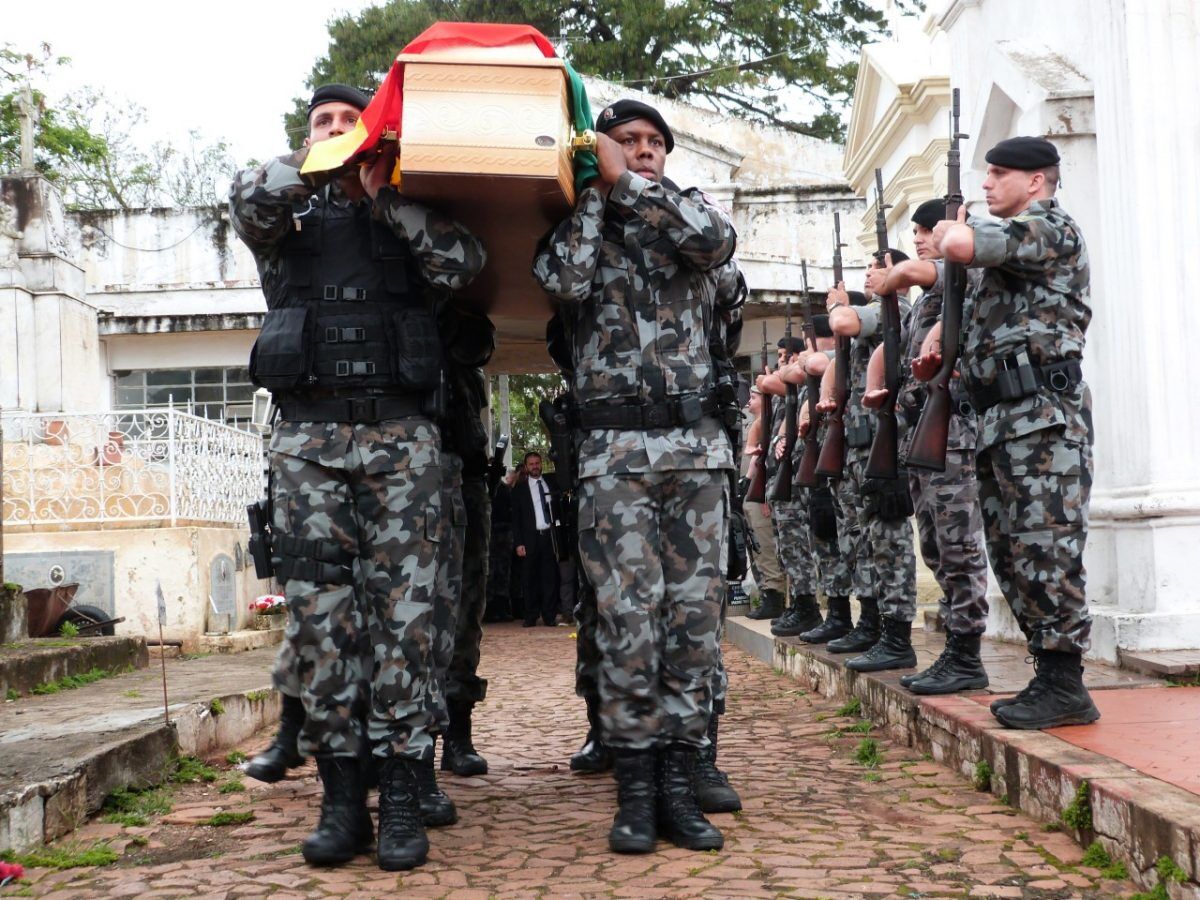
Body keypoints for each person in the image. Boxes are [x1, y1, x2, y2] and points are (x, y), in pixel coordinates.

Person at [229, 83, 485, 872]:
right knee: (321, 625)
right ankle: (342, 802)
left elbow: (466, 265)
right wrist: (316, 163)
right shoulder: (285, 217)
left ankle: (404, 793)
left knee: (406, 624)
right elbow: (248, 200)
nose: (338, 132)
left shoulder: (412, 217)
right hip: (307, 445)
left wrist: (391, 195)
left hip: (401, 445)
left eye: (351, 122)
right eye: (323, 124)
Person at [533, 98, 734, 855]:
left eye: (654, 143)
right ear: (600, 151)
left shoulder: (687, 218)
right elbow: (562, 282)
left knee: (690, 629)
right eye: (627, 142)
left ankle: (682, 788)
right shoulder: (578, 228)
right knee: (626, 626)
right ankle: (636, 791)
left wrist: (634, 188)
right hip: (616, 458)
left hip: (696, 457)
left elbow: (718, 247)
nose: (643, 151)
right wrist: (595, 196)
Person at [919, 136, 1098, 729]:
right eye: (985, 173)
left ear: (1036, 181)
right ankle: (1048, 674)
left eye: (999, 174)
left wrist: (954, 228)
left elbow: (966, 243)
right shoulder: (1006, 255)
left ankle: (1065, 680)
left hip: (1044, 417)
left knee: (1047, 547)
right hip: (1000, 420)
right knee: (1012, 549)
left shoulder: (1049, 228)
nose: (987, 183)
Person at [863, 199, 989, 694]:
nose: (918, 237)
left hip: (953, 431)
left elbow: (920, 269)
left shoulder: (950, 275)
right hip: (923, 430)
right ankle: (957, 642)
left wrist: (889, 278)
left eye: (926, 228)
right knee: (936, 545)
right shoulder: (928, 299)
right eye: (913, 229)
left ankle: (966, 652)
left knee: (958, 546)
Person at [823, 257, 919, 673]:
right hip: (861, 448)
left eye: (880, 266)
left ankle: (897, 636)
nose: (869, 273)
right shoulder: (877, 314)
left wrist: (837, 306)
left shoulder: (892, 312)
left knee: (889, 540)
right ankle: (873, 622)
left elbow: (842, 323)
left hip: (888, 443)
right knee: (863, 541)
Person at [742, 386, 788, 620]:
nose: (749, 401)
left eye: (754, 396)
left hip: (764, 491)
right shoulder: (758, 424)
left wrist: (762, 495)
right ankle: (767, 594)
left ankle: (774, 597)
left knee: (766, 545)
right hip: (755, 489)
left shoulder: (769, 422)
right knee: (757, 545)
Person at [511, 450, 562, 627]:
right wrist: (518, 543)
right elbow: (515, 519)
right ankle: (531, 615)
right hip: (529, 538)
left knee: (549, 577)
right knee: (529, 578)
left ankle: (549, 616)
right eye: (531, 464)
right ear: (526, 467)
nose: (535, 467)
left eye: (537, 463)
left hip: (549, 537)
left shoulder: (551, 482)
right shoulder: (520, 489)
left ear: (541, 464)